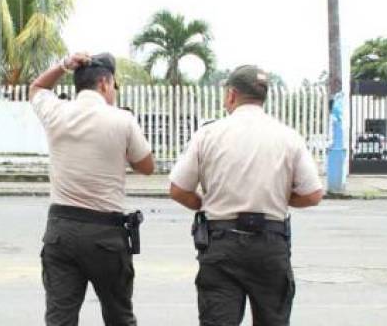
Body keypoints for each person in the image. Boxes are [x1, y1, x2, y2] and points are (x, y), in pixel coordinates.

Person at [168, 64, 323, 326]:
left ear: (231, 95)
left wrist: (206, 203)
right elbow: (313, 194)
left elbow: (178, 190)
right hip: (270, 243)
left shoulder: (208, 134)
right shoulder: (288, 136)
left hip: (221, 242)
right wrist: (280, 197)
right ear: (263, 97)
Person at [29, 52, 156, 326]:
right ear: (104, 83)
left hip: (61, 231)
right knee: (119, 316)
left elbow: (37, 88)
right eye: (114, 88)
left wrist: (63, 64)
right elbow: (147, 166)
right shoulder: (122, 120)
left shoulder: (56, 112)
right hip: (106, 236)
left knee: (60, 318)